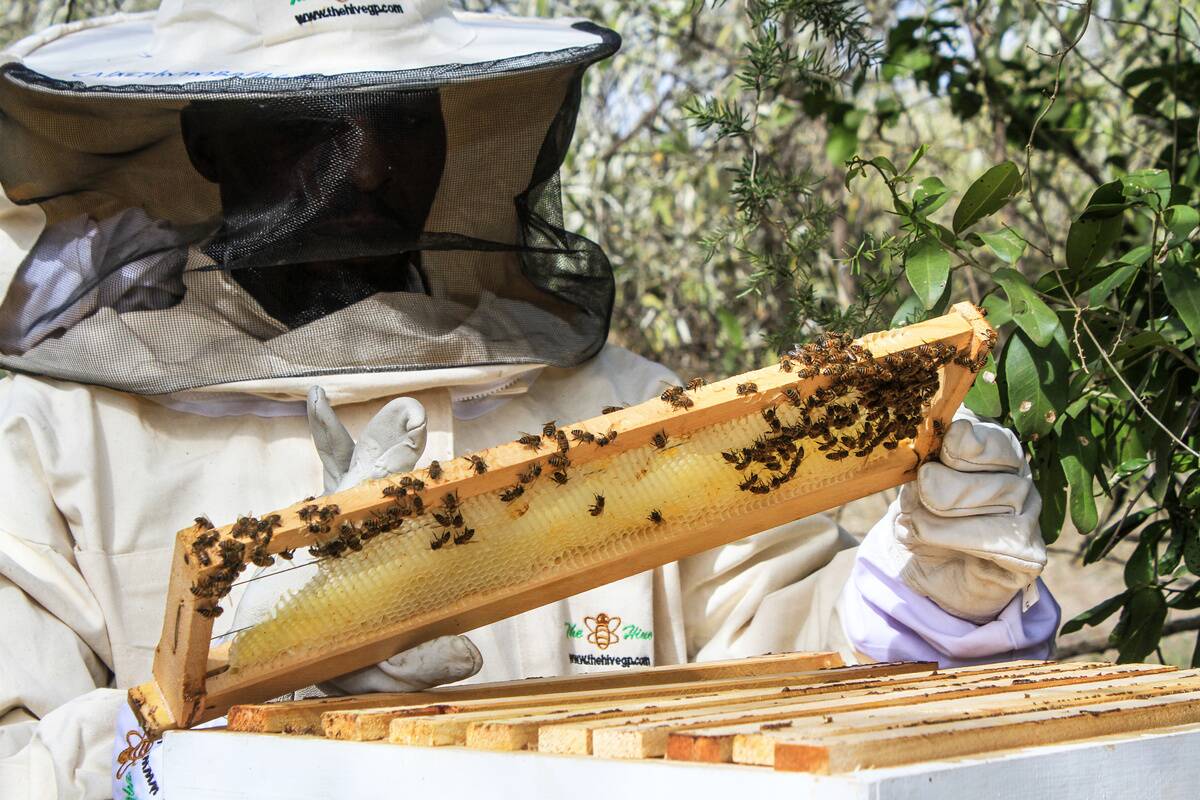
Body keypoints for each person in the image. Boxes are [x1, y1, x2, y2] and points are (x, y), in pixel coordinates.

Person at [0, 2, 1060, 798]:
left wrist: (935, 587)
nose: (365, 166)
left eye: (401, 115)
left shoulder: (616, 402)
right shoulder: (59, 438)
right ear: (206, 138)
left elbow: (792, 662)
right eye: (310, 124)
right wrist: (244, 694)